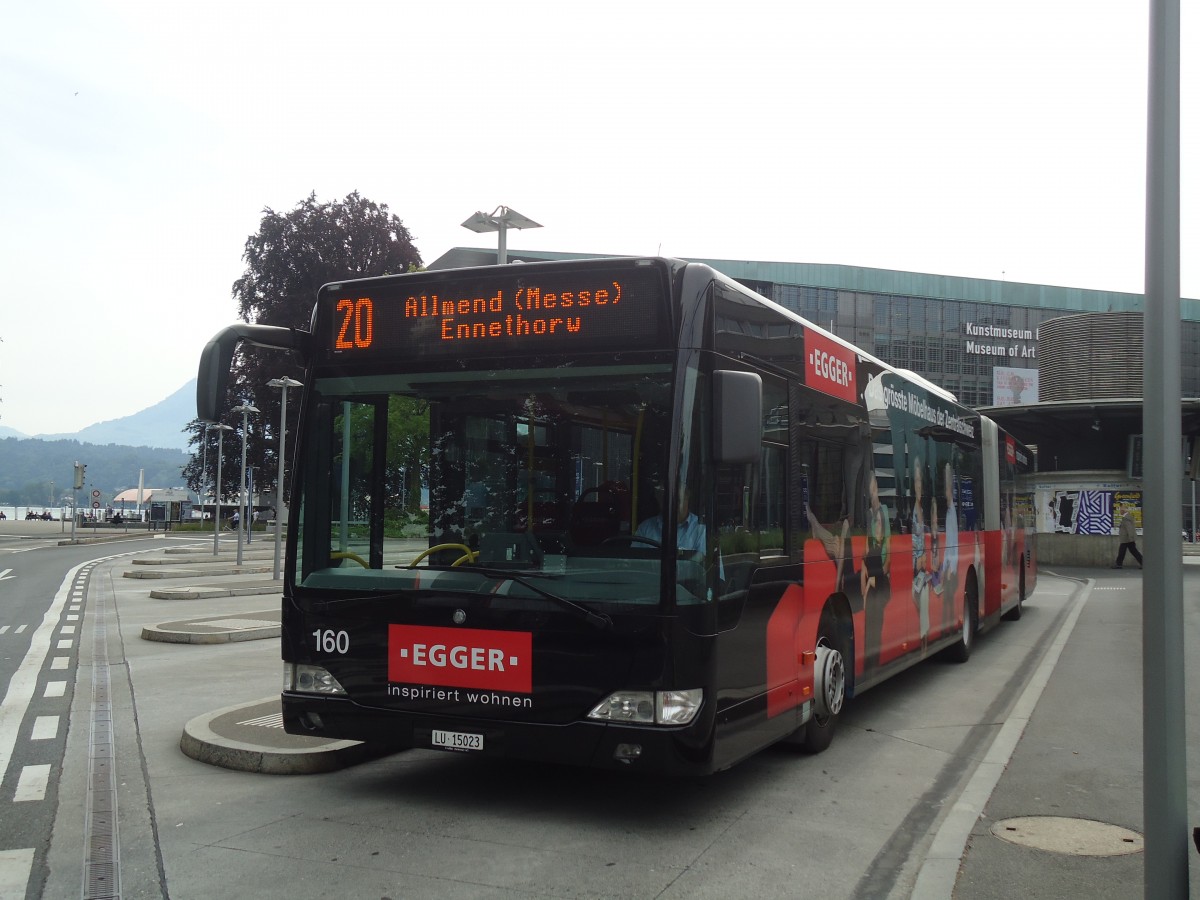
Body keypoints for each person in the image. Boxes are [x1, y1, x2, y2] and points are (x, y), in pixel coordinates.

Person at [635, 482, 706, 553]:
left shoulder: (701, 529)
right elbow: (635, 558)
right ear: (658, 500)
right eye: (666, 501)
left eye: (678, 500)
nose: (671, 505)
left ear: (687, 496)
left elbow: (701, 559)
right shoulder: (645, 529)